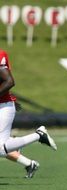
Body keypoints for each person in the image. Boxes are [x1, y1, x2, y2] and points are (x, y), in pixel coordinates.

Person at [0, 48, 57, 177]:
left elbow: (9, 81)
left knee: (1, 149)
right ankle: (26, 159)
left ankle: (38, 136)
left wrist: (10, 100)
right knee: (3, 147)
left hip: (2, 107)